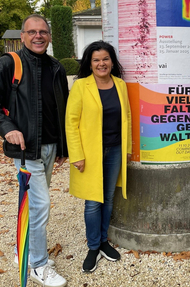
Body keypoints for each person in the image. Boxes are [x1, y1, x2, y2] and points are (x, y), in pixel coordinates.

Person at [0, 14, 69, 287]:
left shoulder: (56, 67)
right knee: (40, 206)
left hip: (51, 147)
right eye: (32, 32)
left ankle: (26, 252)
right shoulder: (8, 64)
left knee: (33, 206)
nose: (38, 36)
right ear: (22, 36)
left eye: (43, 31)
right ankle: (39, 267)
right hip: (25, 150)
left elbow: (61, 110)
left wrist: (63, 147)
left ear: (49, 36)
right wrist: (8, 129)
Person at [65, 41, 132, 273]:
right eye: (96, 60)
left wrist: (127, 149)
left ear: (112, 62)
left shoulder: (120, 85)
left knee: (109, 197)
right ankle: (94, 246)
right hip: (89, 153)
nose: (101, 63)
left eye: (105, 59)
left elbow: (127, 118)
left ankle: (104, 241)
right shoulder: (81, 86)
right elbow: (71, 123)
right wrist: (77, 155)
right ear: (89, 63)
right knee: (93, 202)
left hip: (115, 150)